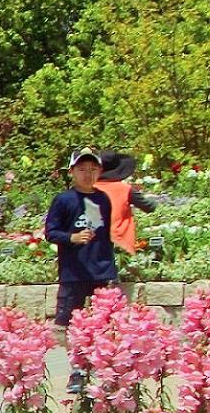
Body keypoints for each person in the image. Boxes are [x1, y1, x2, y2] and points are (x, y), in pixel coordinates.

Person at [45, 148, 117, 356]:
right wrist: (72, 238)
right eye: (82, 169)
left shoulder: (103, 199)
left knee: (103, 323)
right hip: (73, 272)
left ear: (100, 171)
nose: (88, 174)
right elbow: (51, 232)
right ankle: (74, 363)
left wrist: (111, 268)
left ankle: (97, 363)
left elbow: (106, 234)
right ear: (72, 172)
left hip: (101, 270)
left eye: (93, 169)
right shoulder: (63, 200)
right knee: (67, 324)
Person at [96, 150, 154, 261]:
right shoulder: (125, 189)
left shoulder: (88, 189)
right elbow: (149, 207)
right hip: (120, 242)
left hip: (94, 243)